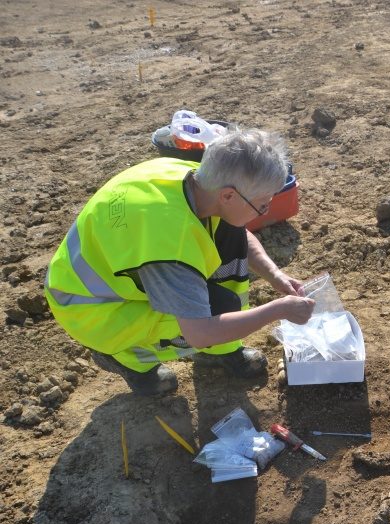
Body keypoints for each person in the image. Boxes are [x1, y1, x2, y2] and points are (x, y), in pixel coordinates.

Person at [44, 128, 315, 396]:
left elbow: (240, 231)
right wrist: (278, 310)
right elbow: (199, 332)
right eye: (262, 205)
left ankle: (223, 349)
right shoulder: (170, 247)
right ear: (230, 195)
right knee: (207, 320)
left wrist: (275, 275)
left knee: (230, 231)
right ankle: (126, 359)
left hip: (117, 269)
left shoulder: (193, 178)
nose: (264, 212)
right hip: (94, 309)